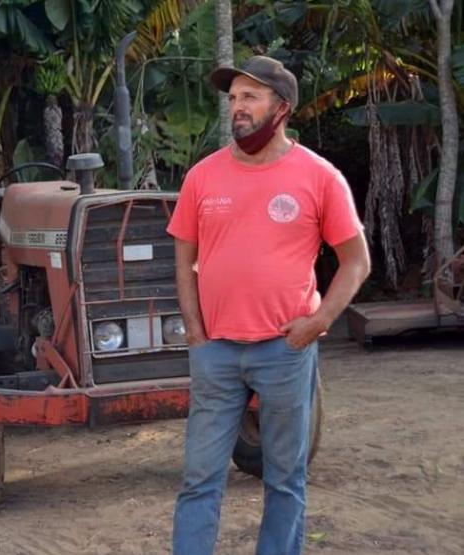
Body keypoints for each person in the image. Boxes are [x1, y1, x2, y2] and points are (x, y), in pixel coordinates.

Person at [167, 56, 371, 555]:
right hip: (215, 352)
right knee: (199, 480)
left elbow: (356, 262)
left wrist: (319, 322)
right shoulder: (202, 177)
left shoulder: (319, 177)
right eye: (233, 98)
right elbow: (183, 261)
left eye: (249, 97)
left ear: (281, 108)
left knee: (284, 479)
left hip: (285, 351)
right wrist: (195, 334)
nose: (237, 107)